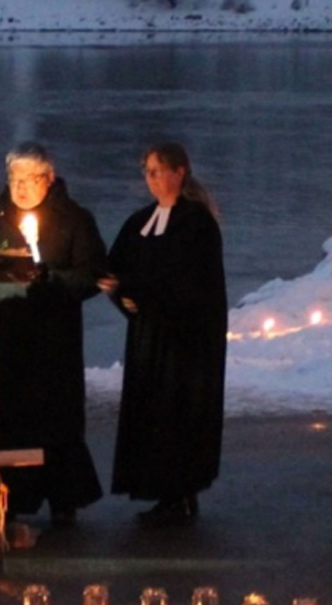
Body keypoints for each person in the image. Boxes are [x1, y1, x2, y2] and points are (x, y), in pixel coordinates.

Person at [100, 142, 229, 523]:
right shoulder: (140, 221)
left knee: (180, 413)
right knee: (151, 411)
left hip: (185, 340)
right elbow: (115, 270)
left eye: (157, 170)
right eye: (147, 171)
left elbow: (193, 283)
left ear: (180, 172)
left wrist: (143, 295)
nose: (151, 178)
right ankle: (162, 493)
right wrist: (122, 295)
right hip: (149, 338)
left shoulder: (197, 223)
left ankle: (181, 493)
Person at [0, 141, 107, 527]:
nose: (20, 188)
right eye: (14, 179)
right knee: (11, 415)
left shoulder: (75, 219)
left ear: (50, 178)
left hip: (55, 338)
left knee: (57, 420)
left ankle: (63, 498)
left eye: (30, 179)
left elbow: (93, 275)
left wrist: (50, 280)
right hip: (6, 337)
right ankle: (13, 496)